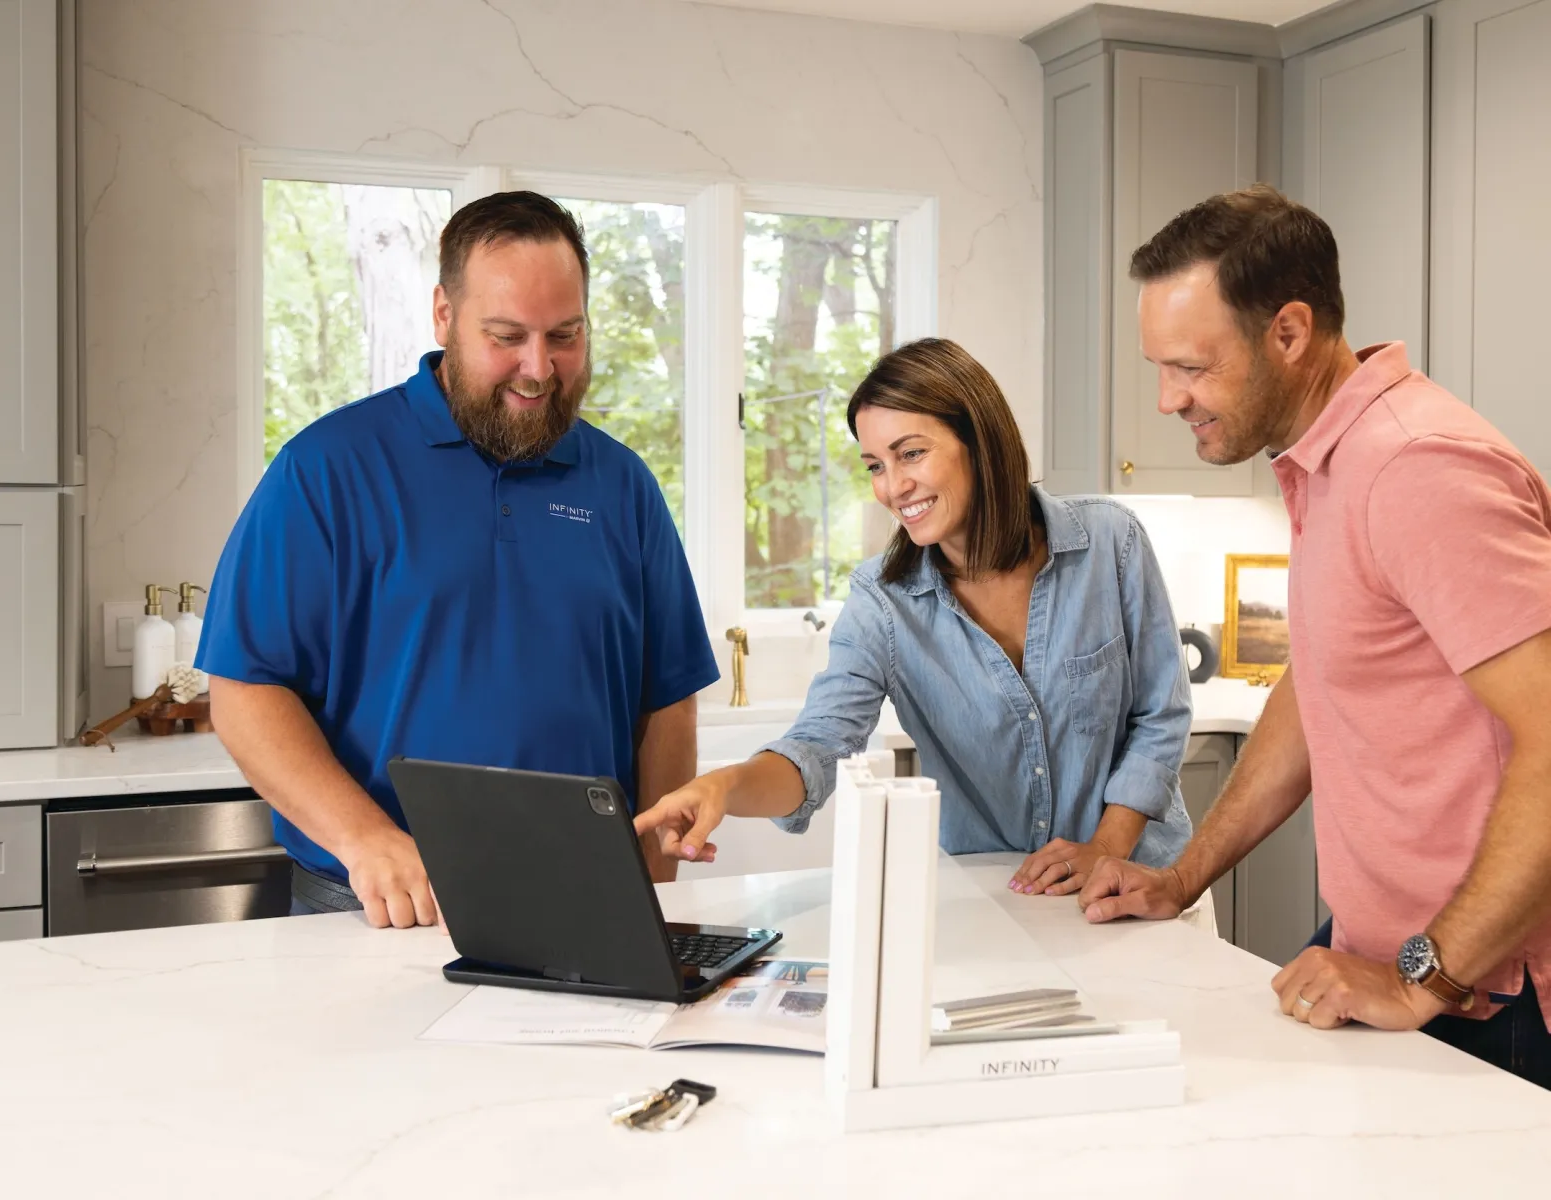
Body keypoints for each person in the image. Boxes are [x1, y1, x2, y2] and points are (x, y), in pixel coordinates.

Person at [1079, 184, 1551, 1089]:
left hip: (1482, 987)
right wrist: (1181, 879)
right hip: (1386, 953)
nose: (1169, 398)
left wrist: (1427, 978)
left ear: (1288, 333)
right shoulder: (1327, 464)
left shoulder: (1417, 468)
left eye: (1190, 366)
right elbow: (1321, 684)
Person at [198, 191, 718, 926]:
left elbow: (666, 699)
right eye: (507, 335)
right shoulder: (325, 470)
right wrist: (365, 837)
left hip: (589, 903)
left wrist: (653, 880)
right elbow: (245, 692)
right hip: (376, 906)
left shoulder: (622, 484)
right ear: (444, 315)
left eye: (565, 335)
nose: (539, 369)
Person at [636, 338, 1193, 890]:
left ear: (978, 440)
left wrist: (1104, 848)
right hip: (998, 901)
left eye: (911, 453)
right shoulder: (882, 602)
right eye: (875, 465)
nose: (893, 487)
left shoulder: (1108, 543)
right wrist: (725, 788)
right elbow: (817, 746)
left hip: (1139, 884)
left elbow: (1160, 714)